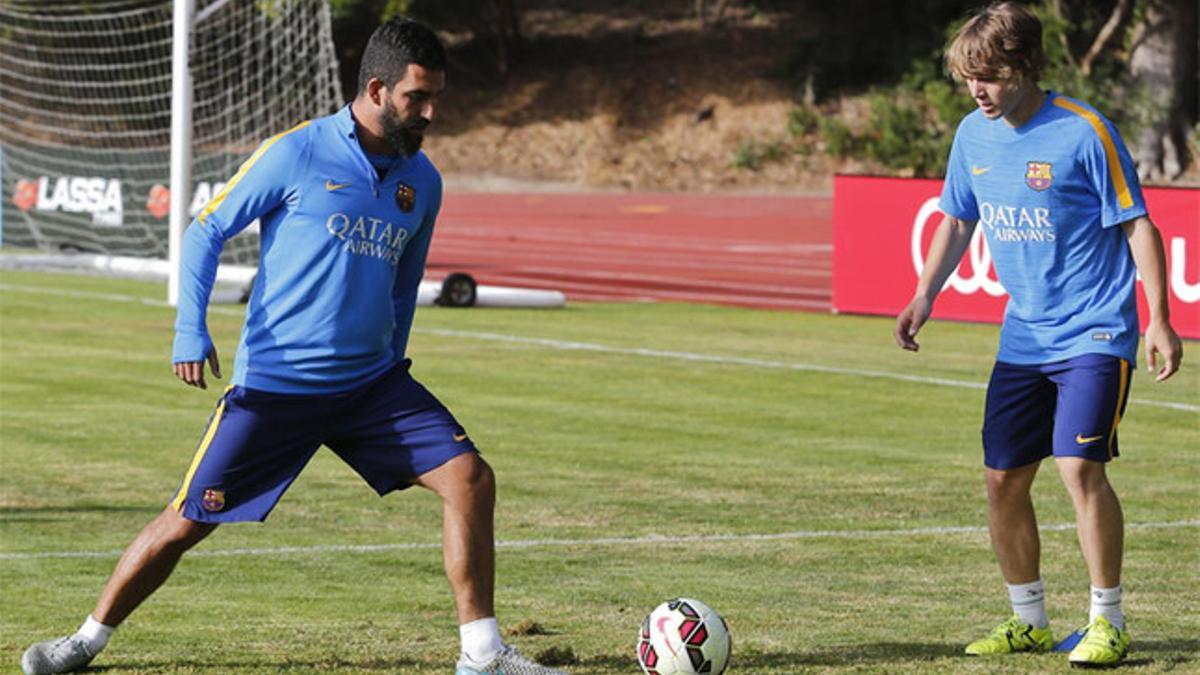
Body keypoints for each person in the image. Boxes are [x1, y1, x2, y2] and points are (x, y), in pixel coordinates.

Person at [21, 17, 566, 675]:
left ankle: (481, 654)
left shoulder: (423, 182)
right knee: (187, 520)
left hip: (372, 387)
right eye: (416, 98)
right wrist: (190, 329)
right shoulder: (298, 152)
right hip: (277, 388)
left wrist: (392, 359)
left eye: (435, 99)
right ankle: (84, 639)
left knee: (471, 477)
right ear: (375, 87)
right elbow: (205, 229)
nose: (429, 113)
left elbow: (405, 282)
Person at [893, 1, 1182, 668]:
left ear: (1024, 66)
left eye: (989, 76)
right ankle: (1027, 619)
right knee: (1002, 480)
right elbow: (957, 219)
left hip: (1096, 331)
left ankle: (1107, 619)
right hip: (1023, 337)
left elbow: (1138, 224)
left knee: (1080, 467)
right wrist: (923, 294)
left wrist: (1161, 317)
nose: (977, 90)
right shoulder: (973, 134)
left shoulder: (1085, 132)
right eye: (969, 78)